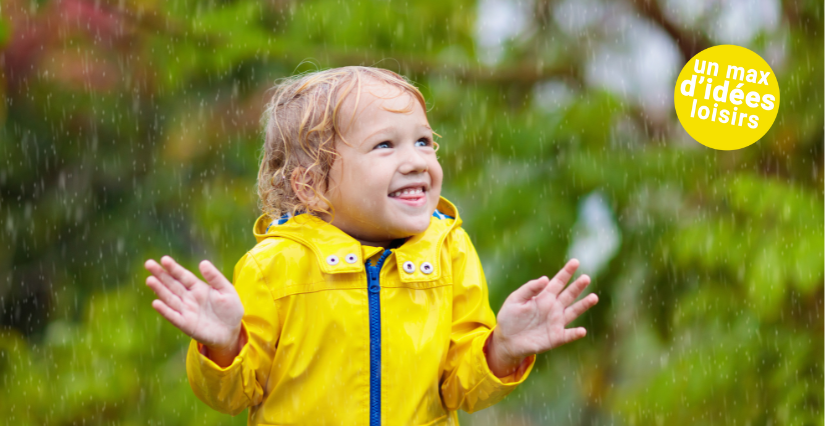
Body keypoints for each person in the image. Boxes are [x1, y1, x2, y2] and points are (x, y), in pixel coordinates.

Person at [143, 66, 599, 425]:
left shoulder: (448, 252)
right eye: (385, 145)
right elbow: (232, 395)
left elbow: (461, 389)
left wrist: (502, 349)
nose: (416, 160)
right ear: (309, 185)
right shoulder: (274, 266)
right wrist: (222, 348)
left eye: (424, 141)